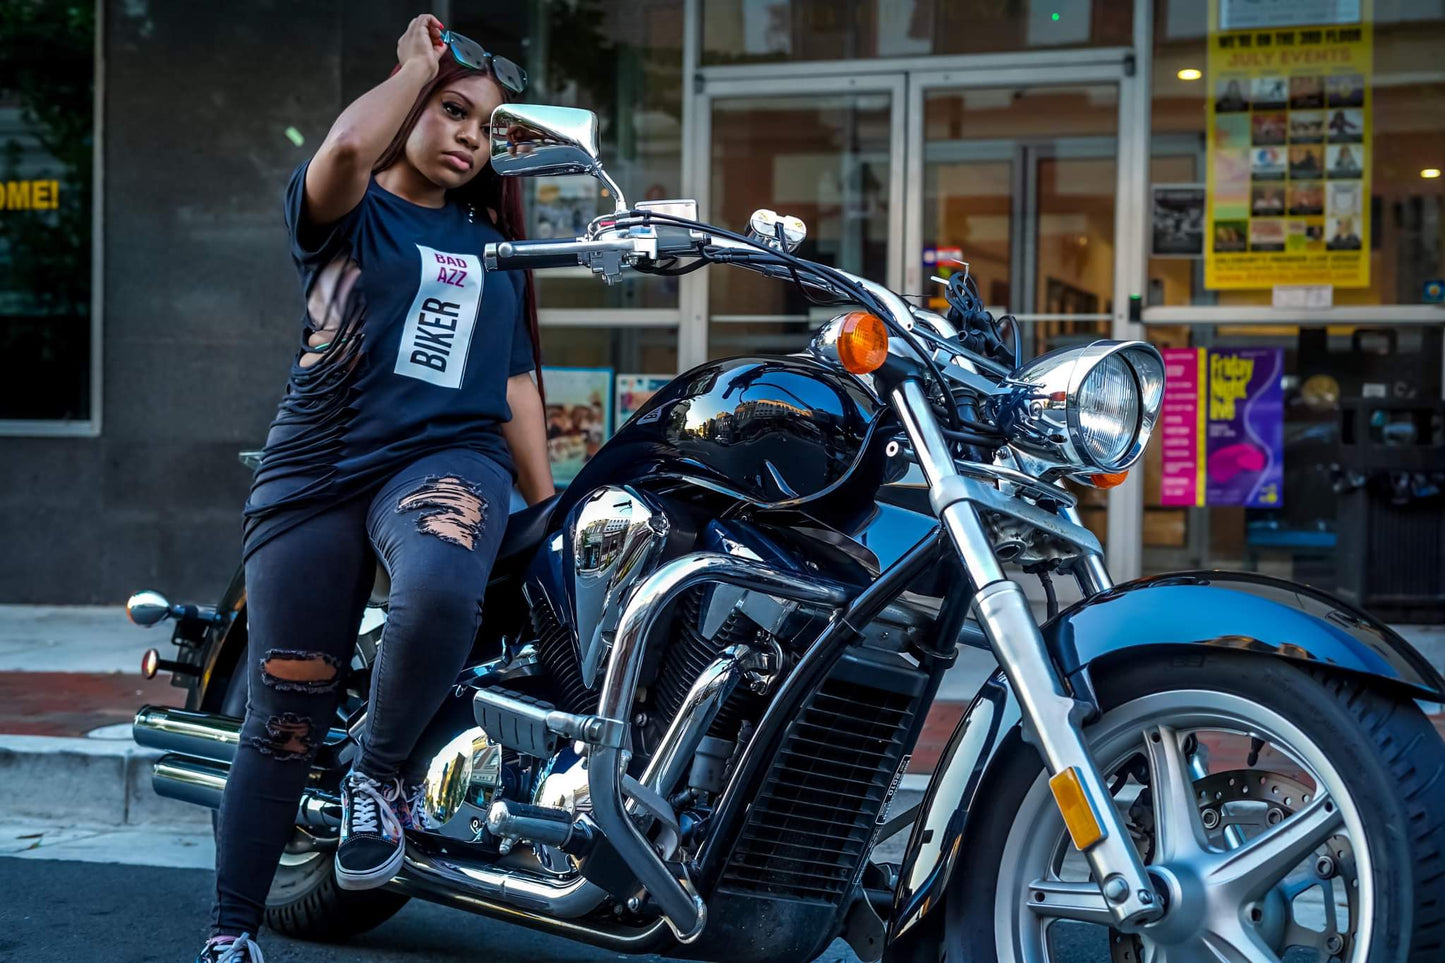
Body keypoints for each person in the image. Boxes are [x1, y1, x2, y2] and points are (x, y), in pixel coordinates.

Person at [195, 16, 553, 963]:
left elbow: (515, 384)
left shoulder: (494, 253)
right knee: (283, 713)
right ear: (409, 112)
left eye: (485, 125)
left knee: (437, 587)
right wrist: (413, 66)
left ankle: (380, 774)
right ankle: (231, 932)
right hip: (311, 475)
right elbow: (349, 143)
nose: (471, 135)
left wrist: (547, 502)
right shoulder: (346, 212)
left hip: (443, 459)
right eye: (453, 111)